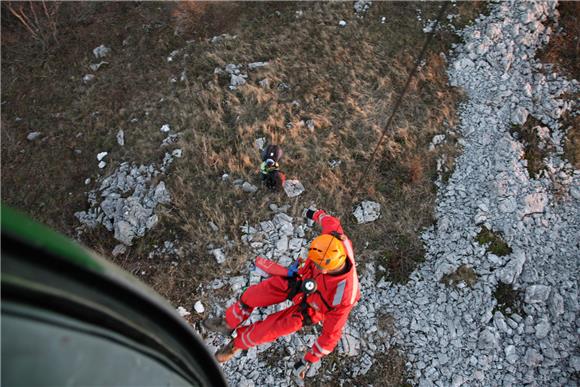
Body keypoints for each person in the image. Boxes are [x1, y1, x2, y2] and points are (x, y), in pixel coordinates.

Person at [203, 209, 360, 381]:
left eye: (316, 263)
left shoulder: (343, 297)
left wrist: (309, 359)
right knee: (252, 295)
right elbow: (329, 221)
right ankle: (227, 323)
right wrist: (315, 213)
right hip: (300, 282)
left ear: (324, 268)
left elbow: (331, 335)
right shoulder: (334, 240)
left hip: (309, 309)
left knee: (265, 331)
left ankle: (234, 346)